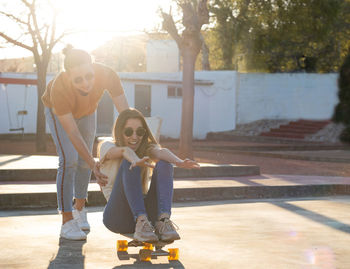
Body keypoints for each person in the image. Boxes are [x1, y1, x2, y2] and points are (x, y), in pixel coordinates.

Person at [42, 45, 129, 240]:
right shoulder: (59, 88)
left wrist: (138, 141)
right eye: (78, 80)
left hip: (88, 110)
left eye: (89, 76)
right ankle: (66, 222)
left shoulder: (107, 74)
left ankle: (79, 210)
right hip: (59, 113)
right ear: (68, 76)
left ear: (93, 67)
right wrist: (94, 164)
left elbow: (126, 114)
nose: (86, 84)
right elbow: (72, 132)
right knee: (70, 159)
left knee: (83, 161)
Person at [98, 108, 200, 242]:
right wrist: (135, 160)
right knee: (130, 163)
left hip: (148, 219)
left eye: (139, 132)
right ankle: (140, 221)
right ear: (120, 131)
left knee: (165, 163)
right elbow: (125, 151)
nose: (134, 137)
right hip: (117, 217)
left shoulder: (145, 148)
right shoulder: (108, 145)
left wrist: (179, 162)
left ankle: (163, 220)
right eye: (129, 132)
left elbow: (161, 152)